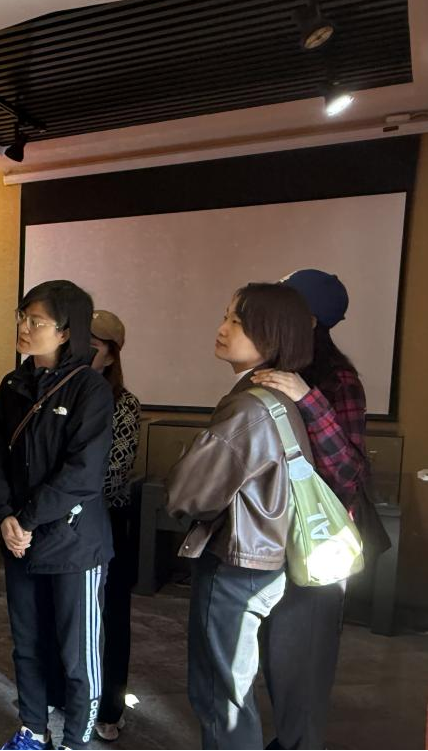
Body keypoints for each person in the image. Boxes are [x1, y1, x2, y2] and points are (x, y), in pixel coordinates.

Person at [166, 283, 315, 750]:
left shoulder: (250, 405)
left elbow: (189, 492)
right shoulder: (277, 396)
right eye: (226, 316)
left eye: (238, 321)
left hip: (237, 561)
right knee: (232, 685)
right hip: (264, 558)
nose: (222, 328)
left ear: (271, 335)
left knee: (221, 695)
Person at [252, 269, 385, 750]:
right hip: (269, 534)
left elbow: (349, 472)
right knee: (276, 654)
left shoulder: (337, 380)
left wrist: (308, 400)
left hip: (315, 539)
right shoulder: (269, 370)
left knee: (304, 657)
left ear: (308, 320)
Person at [0, 281, 114, 751]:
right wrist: (4, 515)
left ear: (65, 331)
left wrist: (26, 520)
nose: (24, 327)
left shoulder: (90, 389)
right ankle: (32, 728)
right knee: (27, 644)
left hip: (73, 543)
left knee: (77, 653)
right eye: (22, 317)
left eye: (36, 320)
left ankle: (76, 740)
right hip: (19, 539)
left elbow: (83, 473)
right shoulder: (12, 385)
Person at [89, 311, 142, 743]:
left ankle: (110, 706)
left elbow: (114, 472)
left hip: (105, 518)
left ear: (110, 356)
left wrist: (64, 493)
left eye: (92, 347)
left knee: (112, 617)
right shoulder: (60, 391)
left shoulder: (123, 404)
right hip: (62, 520)